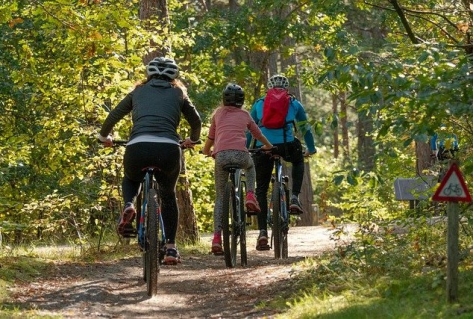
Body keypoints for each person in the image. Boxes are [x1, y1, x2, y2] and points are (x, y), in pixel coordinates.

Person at [98, 57, 202, 265]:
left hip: (138, 146)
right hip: (168, 148)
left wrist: (104, 137)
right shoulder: (178, 93)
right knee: (168, 196)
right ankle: (171, 247)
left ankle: (129, 204)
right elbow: (196, 121)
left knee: (131, 179)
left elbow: (114, 116)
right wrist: (193, 139)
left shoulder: (137, 91)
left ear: (149, 74)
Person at [202, 83, 273, 255]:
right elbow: (257, 134)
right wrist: (269, 146)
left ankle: (217, 238)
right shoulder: (245, 114)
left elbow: (211, 137)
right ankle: (250, 194)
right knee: (250, 166)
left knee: (220, 198)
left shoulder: (218, 114)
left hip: (221, 157)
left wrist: (207, 151)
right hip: (242, 155)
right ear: (242, 101)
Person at [248, 74, 316, 251]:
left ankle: (262, 232)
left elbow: (249, 128)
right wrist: (311, 148)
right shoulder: (294, 103)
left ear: (269, 88)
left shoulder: (259, 103)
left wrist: (247, 147)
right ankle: (294, 197)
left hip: (263, 147)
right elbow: (305, 128)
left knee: (261, 189)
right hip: (286, 146)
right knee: (298, 160)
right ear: (286, 88)